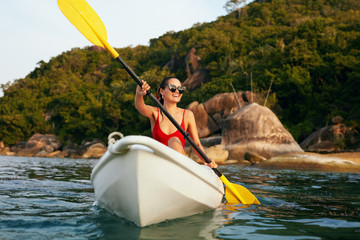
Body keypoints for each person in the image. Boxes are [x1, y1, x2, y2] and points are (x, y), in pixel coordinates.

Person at [135, 77, 218, 168]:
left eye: (181, 89)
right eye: (173, 88)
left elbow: (197, 144)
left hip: (179, 165)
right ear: (162, 91)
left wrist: (206, 160)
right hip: (159, 164)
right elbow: (140, 107)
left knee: (174, 141)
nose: (177, 91)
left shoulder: (187, 115)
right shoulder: (155, 113)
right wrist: (139, 94)